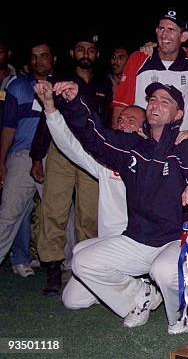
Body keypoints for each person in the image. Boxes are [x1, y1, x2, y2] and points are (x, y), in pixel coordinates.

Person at [47, 80, 188, 334]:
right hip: (139, 239)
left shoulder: (184, 142)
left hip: (176, 239)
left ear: (178, 114)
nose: (155, 105)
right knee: (82, 261)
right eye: (152, 100)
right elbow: (94, 137)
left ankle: (184, 310)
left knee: (163, 272)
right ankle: (139, 296)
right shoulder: (132, 147)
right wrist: (74, 102)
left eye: (165, 101)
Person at [38, 92, 146, 309]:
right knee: (72, 300)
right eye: (120, 119)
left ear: (143, 130)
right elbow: (70, 145)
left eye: (130, 120)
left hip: (141, 245)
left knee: (81, 255)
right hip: (111, 244)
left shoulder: (154, 161)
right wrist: (50, 108)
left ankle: (141, 288)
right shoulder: (106, 162)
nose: (122, 123)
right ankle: (139, 288)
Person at [30, 32, 111, 296]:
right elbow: (46, 120)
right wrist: (36, 157)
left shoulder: (104, 83)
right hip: (61, 152)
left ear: (96, 55)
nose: (85, 53)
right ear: (72, 53)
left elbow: (108, 123)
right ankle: (53, 269)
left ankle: (85, 273)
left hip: (91, 154)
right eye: (80, 49)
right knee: (53, 210)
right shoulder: (59, 82)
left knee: (89, 215)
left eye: (90, 50)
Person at [0, 41, 55, 275]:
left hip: (55, 158)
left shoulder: (63, 86)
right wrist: (1, 162)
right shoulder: (17, 86)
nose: (38, 61)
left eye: (43, 56)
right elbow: (8, 128)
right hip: (22, 156)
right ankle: (13, 257)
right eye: (33, 57)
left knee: (60, 215)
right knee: (9, 214)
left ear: (53, 59)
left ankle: (71, 267)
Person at [111, 9, 188, 127]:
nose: (164, 35)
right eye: (161, 29)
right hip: (143, 139)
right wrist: (115, 140)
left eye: (171, 29)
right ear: (156, 31)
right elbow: (121, 105)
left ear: (183, 36)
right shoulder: (139, 58)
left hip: (180, 138)